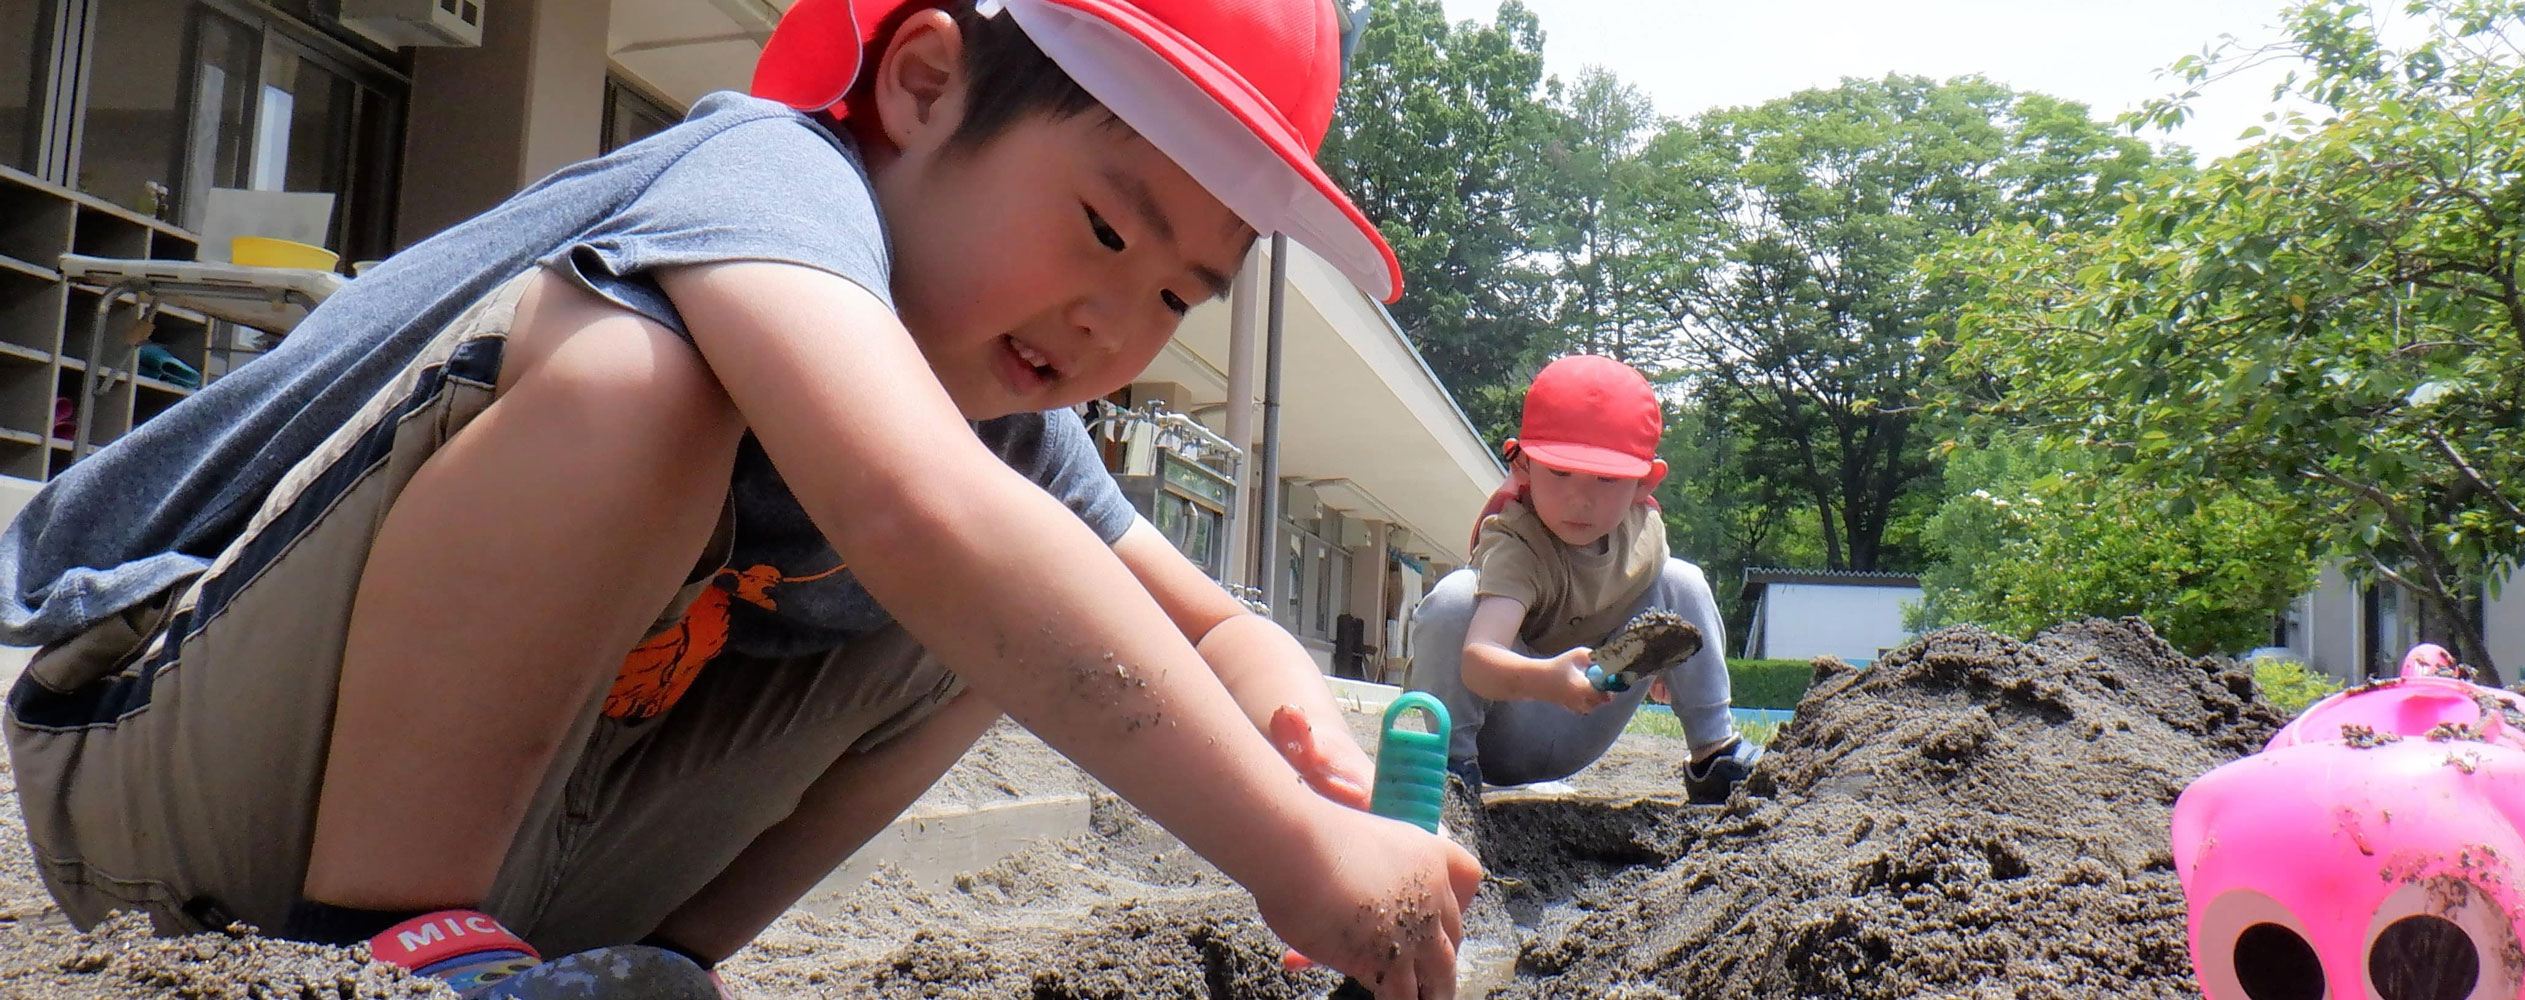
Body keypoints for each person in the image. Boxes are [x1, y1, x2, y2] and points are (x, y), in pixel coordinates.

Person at [0, 1, 1480, 997]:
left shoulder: (996, 416)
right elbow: (909, 503)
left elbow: (1206, 618)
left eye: (1172, 293)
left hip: (500, 843)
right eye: (1102, 228)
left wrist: (1294, 724)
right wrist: (1295, 866)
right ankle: (399, 952)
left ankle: (645, 969)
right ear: (919, 85)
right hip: (155, 741)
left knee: (1024, 596)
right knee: (643, 387)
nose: (1115, 324)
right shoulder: (770, 177)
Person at [1406, 356, 1763, 806]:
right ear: (1522, 466)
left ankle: (1715, 753)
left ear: (1644, 484)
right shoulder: (1519, 543)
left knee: (1681, 579)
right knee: (1455, 600)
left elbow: (1671, 611)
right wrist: (1546, 679)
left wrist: (1672, 666)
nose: (1581, 499)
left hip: (1587, 719)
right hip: (1495, 730)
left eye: (1606, 478)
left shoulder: (1642, 530)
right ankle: (1450, 774)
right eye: (1559, 472)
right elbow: (1478, 661)